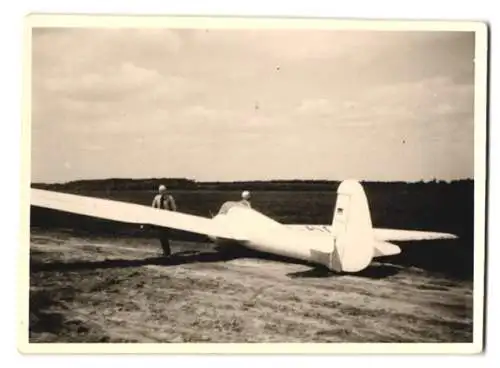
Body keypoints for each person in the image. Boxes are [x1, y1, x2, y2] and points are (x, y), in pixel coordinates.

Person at [152, 184, 177, 256]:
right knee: (161, 236)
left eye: (163, 191)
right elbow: (153, 208)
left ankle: (167, 252)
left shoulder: (170, 198)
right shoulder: (156, 198)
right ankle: (165, 251)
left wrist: (172, 219)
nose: (162, 192)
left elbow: (174, 208)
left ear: (165, 191)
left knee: (164, 236)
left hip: (167, 220)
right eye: (161, 191)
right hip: (159, 220)